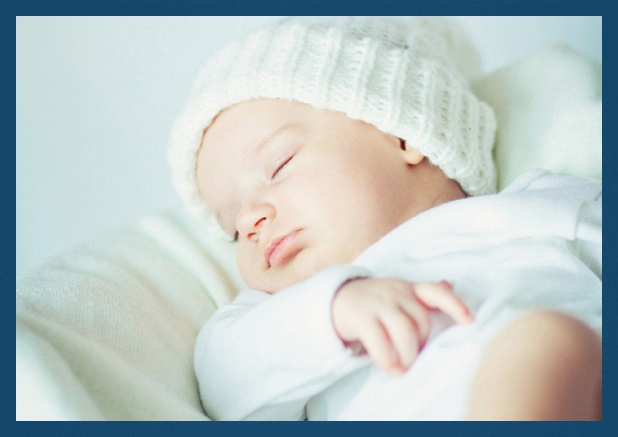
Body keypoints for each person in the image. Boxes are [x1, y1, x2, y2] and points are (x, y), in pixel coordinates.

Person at [169, 17, 602, 420]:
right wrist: (332, 313)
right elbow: (223, 383)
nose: (248, 220)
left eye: (279, 165)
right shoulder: (282, 314)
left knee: (552, 344)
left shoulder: (540, 207)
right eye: (231, 227)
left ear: (404, 134)